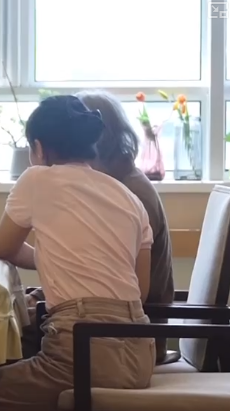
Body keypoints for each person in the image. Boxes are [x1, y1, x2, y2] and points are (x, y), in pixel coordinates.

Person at [0, 95, 156, 411]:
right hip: (141, 356)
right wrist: (64, 261)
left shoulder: (38, 178)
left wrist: (58, 262)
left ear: (38, 148)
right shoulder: (129, 197)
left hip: (81, 353)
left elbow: (4, 248)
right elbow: (140, 289)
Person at [76, 89, 175, 364]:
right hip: (113, 324)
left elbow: (116, 284)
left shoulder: (128, 194)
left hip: (128, 339)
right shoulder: (115, 183)